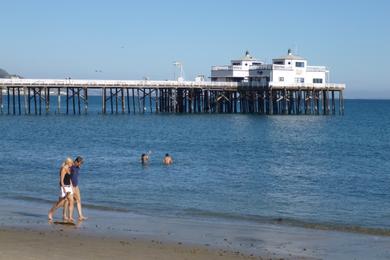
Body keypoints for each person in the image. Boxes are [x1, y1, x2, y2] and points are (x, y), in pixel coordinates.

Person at [48, 157, 75, 222]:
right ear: (68, 163)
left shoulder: (69, 168)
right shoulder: (63, 169)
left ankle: (70, 217)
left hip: (69, 187)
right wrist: (64, 189)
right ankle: (51, 212)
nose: (72, 164)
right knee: (61, 203)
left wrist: (71, 187)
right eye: (71, 163)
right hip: (64, 186)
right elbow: (61, 180)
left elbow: (70, 179)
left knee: (71, 201)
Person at [69, 156, 87, 221]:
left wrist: (78, 166)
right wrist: (71, 186)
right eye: (80, 163)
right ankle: (67, 216)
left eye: (81, 163)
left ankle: (80, 216)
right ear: (77, 161)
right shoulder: (71, 167)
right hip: (71, 186)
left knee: (78, 200)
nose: (81, 164)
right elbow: (69, 177)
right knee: (68, 202)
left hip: (76, 186)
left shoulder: (78, 167)